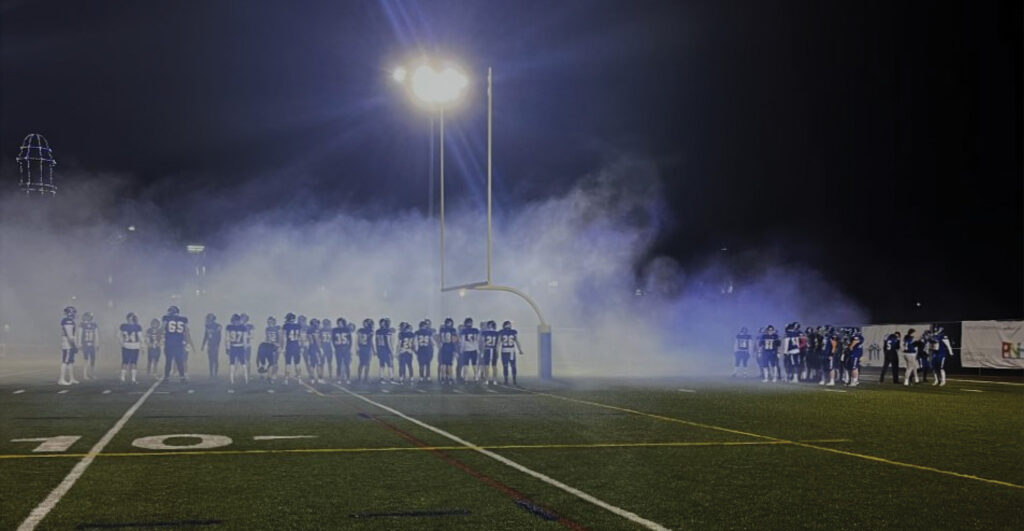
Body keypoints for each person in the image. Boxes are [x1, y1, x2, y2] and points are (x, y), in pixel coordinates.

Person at [162, 305, 194, 383]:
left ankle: (167, 377)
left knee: (168, 361)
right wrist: (187, 341)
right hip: (179, 343)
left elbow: (162, 328)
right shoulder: (183, 319)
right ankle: (182, 377)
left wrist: (161, 337)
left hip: (169, 342)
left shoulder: (166, 318)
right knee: (179, 360)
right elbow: (186, 331)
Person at [119, 312, 143, 384]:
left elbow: (118, 335)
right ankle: (132, 379)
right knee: (133, 362)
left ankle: (123, 378)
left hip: (127, 345)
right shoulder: (137, 326)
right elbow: (140, 337)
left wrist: (122, 342)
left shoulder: (123, 326)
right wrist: (143, 345)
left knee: (125, 362)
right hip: (134, 345)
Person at [498, 320, 524, 386]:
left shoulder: (501, 332)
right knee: (512, 366)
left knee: (507, 366)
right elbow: (517, 341)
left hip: (505, 351)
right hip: (511, 350)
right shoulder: (513, 332)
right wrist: (520, 350)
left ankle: (508, 380)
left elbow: (498, 343)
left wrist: (497, 351)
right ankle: (513, 380)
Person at [58, 306, 79, 386]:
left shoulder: (68, 321)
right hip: (68, 344)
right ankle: (61, 379)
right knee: (65, 361)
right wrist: (74, 345)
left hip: (69, 343)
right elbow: (70, 335)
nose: (74, 314)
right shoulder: (68, 321)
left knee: (70, 361)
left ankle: (72, 378)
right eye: (73, 312)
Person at [226, 314, 249, 385]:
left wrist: (227, 347)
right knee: (236, 364)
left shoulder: (230, 327)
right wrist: (245, 347)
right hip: (238, 347)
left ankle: (233, 380)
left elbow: (227, 338)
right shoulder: (243, 327)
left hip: (235, 347)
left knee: (240, 364)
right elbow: (245, 339)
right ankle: (245, 379)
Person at [258, 316, 282, 382]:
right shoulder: (267, 329)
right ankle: (269, 376)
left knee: (275, 362)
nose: (269, 323)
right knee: (270, 361)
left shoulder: (278, 328)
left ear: (274, 322)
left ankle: (274, 375)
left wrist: (279, 346)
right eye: (268, 322)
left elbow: (280, 338)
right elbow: (267, 338)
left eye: (271, 322)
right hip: (269, 346)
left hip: (276, 346)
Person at [282, 313, 303, 384]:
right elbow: (300, 338)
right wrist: (301, 347)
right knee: (297, 363)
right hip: (296, 346)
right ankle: (299, 379)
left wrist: (283, 348)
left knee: (288, 364)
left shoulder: (286, 326)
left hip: (289, 346)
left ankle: (286, 380)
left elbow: (284, 338)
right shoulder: (298, 326)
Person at [331, 318, 353, 383]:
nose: (340, 324)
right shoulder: (335, 330)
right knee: (339, 364)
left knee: (347, 365)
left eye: (341, 322)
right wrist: (336, 347)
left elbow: (350, 340)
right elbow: (333, 340)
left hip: (345, 349)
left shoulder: (347, 330)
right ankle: (338, 378)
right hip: (338, 349)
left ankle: (348, 378)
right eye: (339, 322)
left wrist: (349, 348)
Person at [459, 317, 481, 383]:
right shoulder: (475, 330)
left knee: (466, 364)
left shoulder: (463, 331)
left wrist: (461, 349)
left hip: (466, 349)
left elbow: (462, 341)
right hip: (474, 349)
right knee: (474, 364)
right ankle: (476, 377)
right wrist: (477, 349)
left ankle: (466, 378)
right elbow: (477, 341)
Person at [201, 313, 222, 380]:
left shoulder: (217, 326)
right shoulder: (207, 326)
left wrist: (217, 344)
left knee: (215, 359)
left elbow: (219, 336)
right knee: (210, 360)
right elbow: (206, 336)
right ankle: (211, 374)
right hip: (210, 344)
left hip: (215, 344)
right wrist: (203, 345)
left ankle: (215, 374)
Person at [79, 312, 99, 380]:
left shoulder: (94, 324)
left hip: (92, 344)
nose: (88, 318)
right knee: (86, 359)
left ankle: (92, 374)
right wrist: (79, 344)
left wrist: (97, 344)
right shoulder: (82, 324)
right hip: (85, 344)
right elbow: (80, 334)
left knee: (93, 359)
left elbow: (96, 335)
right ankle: (85, 375)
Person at [375, 317, 395, 383]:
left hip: (381, 349)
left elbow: (376, 342)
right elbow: (388, 342)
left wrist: (377, 350)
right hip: (385, 349)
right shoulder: (387, 331)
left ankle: (382, 378)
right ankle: (391, 379)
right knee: (388, 364)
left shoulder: (378, 331)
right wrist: (391, 351)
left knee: (382, 364)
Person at [438, 317, 458, 385]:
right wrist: (455, 350)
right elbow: (454, 340)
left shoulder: (442, 330)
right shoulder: (452, 330)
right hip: (450, 347)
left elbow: (440, 339)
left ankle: (443, 378)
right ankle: (449, 378)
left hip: (443, 347)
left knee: (443, 364)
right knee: (449, 364)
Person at [481, 320, 499, 385]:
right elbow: (497, 344)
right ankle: (495, 380)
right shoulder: (497, 333)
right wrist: (497, 352)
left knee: (487, 366)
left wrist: (482, 352)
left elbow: (483, 343)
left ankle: (486, 380)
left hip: (487, 349)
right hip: (494, 350)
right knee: (494, 366)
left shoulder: (484, 333)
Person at [356, 318, 374, 383]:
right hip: (366, 349)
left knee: (362, 363)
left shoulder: (360, 330)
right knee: (366, 364)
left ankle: (360, 378)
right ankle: (364, 378)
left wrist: (357, 348)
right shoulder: (370, 331)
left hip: (363, 348)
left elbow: (358, 340)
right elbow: (370, 341)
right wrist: (373, 350)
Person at [306, 318, 323, 384]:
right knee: (318, 364)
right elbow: (316, 339)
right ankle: (319, 378)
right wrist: (320, 348)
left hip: (311, 348)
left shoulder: (309, 329)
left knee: (312, 364)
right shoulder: (315, 330)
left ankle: (312, 379)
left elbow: (309, 340)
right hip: (315, 348)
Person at [319, 316, 334, 382]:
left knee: (324, 362)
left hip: (324, 347)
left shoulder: (321, 330)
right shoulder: (331, 330)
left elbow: (319, 339)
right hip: (327, 347)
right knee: (328, 362)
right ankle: (329, 375)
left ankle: (323, 375)